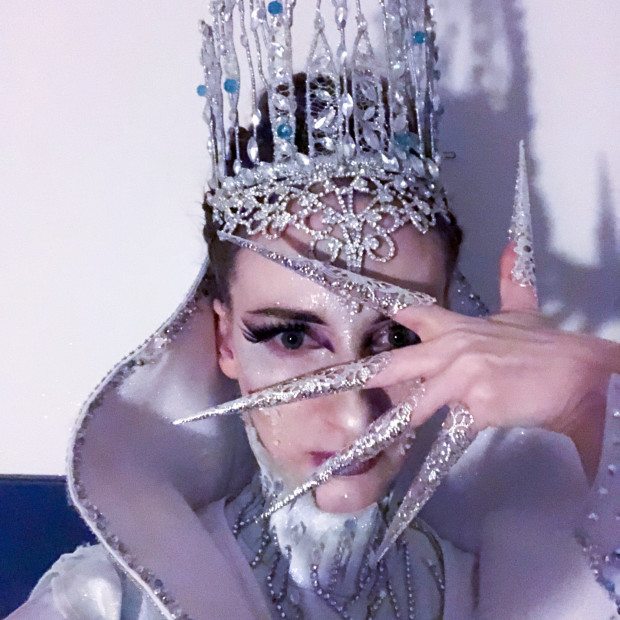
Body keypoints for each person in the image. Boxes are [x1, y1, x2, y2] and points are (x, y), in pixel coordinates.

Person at [9, 0, 620, 618]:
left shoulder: (512, 592)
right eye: (293, 338)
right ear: (224, 340)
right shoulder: (104, 604)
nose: (356, 417)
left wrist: (590, 399)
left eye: (398, 340)